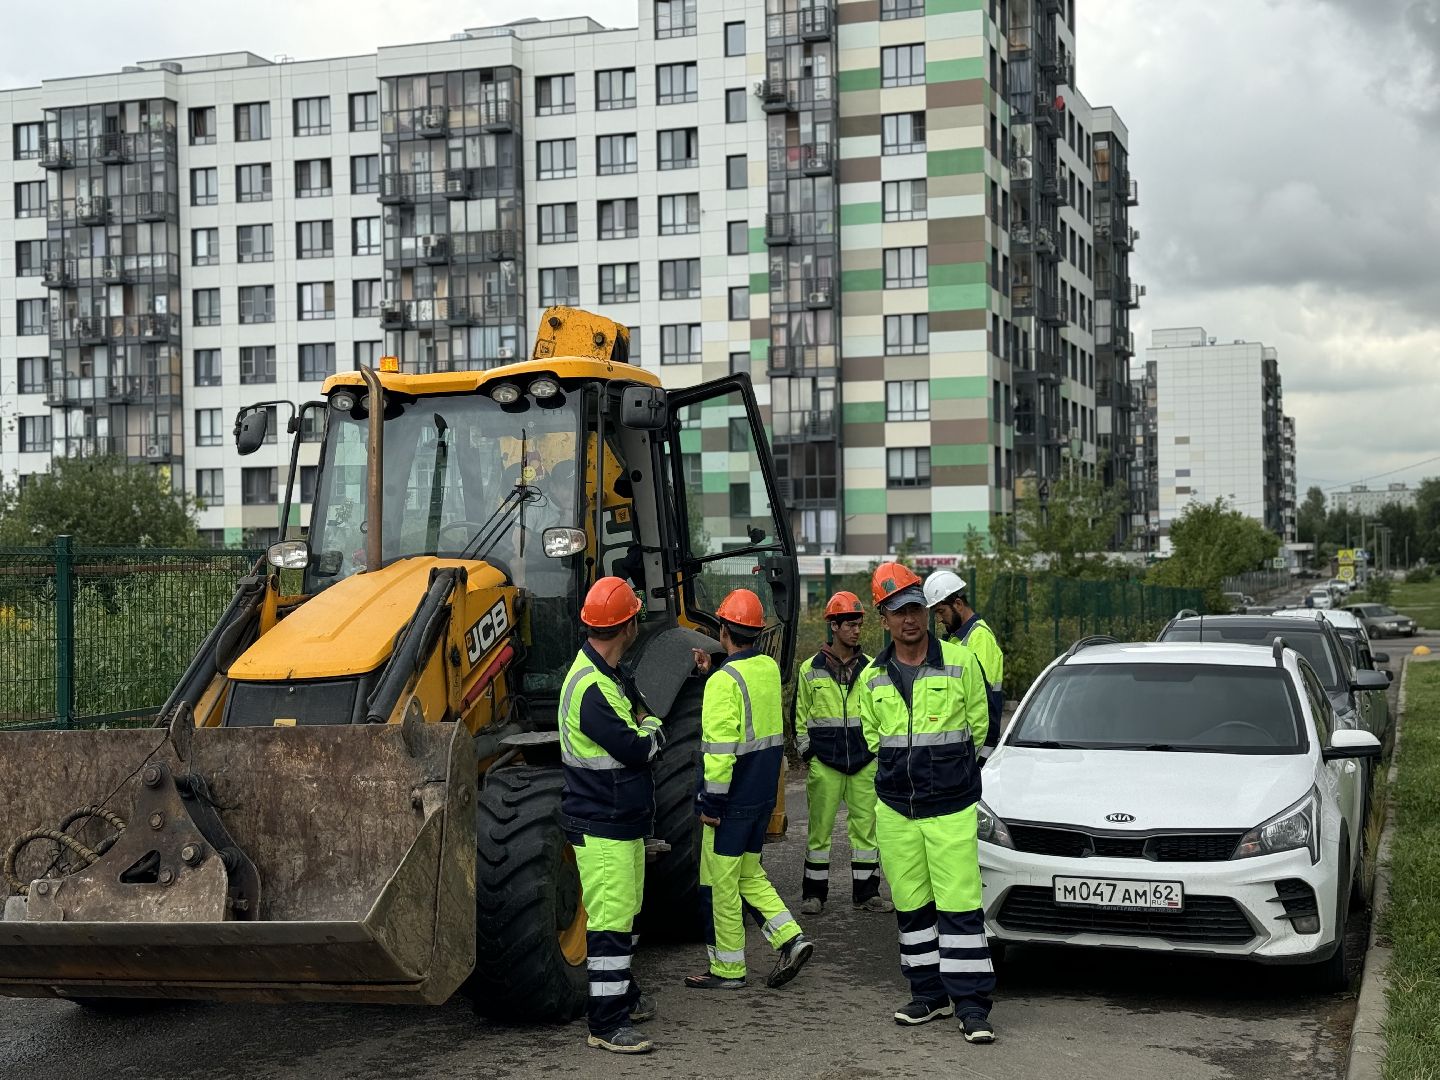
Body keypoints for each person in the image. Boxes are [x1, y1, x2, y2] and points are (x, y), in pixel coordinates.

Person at [857, 562, 996, 1044]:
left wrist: (951, 776)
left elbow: (981, 727)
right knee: (912, 908)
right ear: (884, 619)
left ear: (926, 610)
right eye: (898, 612)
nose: (909, 619)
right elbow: (873, 739)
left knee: (960, 909)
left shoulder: (961, 662)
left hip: (951, 809)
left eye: (915, 608)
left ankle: (972, 1005)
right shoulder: (872, 677)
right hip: (897, 812)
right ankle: (928, 995)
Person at [686, 588, 815, 991]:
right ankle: (791, 939)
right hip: (760, 799)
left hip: (730, 802)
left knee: (720, 885)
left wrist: (711, 804)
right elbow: (747, 700)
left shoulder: (723, 683)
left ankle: (727, 970)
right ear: (757, 632)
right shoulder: (768, 669)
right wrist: (714, 670)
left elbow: (721, 752)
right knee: (748, 874)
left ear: (723, 630)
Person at [560, 577, 664, 1054]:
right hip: (603, 821)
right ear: (628, 626)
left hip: (617, 819)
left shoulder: (605, 674)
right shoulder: (593, 688)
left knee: (625, 915)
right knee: (609, 922)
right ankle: (606, 1024)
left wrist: (644, 729)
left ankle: (625, 996)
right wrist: (655, 728)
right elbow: (637, 748)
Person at [796, 591, 892, 915]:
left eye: (859, 624)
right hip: (825, 763)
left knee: (866, 831)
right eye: (850, 624)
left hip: (864, 763)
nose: (856, 630)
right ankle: (814, 895)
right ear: (834, 626)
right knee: (819, 832)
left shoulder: (872, 669)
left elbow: (883, 713)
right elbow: (799, 717)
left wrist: (877, 754)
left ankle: (867, 894)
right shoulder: (809, 669)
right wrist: (808, 755)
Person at [922, 570, 1006, 757]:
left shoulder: (979, 637)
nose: (939, 619)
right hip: (963, 746)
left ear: (958, 604)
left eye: (941, 611)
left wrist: (980, 754)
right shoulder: (958, 638)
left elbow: (983, 699)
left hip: (977, 749)